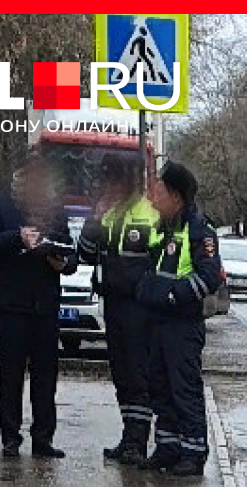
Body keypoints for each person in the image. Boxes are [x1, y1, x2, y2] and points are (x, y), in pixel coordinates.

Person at [0, 152, 76, 459]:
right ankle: (10, 438)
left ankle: (43, 439)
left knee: (45, 378)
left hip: (46, 307)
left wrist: (60, 262)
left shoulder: (55, 211)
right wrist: (17, 238)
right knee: (11, 376)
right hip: (12, 306)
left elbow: (71, 253)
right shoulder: (1, 205)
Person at [137, 162, 222, 476]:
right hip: (158, 322)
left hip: (182, 325)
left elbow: (210, 276)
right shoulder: (163, 227)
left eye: (158, 191)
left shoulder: (199, 229)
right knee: (159, 387)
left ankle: (194, 452)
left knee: (183, 387)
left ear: (175, 195)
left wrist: (175, 295)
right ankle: (167, 448)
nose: (153, 197)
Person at [77, 153, 158, 466]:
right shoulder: (106, 214)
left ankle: (139, 440)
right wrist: (94, 220)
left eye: (112, 179)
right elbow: (85, 254)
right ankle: (128, 436)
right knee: (121, 373)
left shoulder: (147, 214)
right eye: (104, 179)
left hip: (139, 308)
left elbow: (158, 262)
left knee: (138, 374)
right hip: (113, 303)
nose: (107, 185)